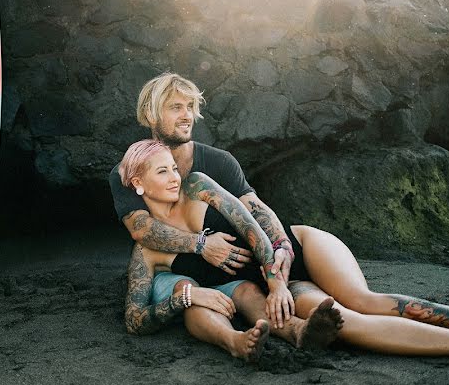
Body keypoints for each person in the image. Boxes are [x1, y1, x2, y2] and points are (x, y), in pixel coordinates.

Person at [109, 72, 449, 360]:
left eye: (192, 107)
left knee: (364, 298)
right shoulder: (129, 174)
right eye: (176, 107)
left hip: (292, 248)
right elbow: (143, 231)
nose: (188, 115)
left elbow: (263, 219)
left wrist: (277, 278)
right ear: (152, 112)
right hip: (249, 278)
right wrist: (201, 250)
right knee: (345, 321)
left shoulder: (217, 166)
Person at [120, 139, 343, 362]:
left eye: (174, 169)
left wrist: (275, 282)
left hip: (240, 278)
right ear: (138, 182)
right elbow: (134, 320)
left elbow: (249, 224)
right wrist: (182, 298)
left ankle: (299, 331)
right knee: (194, 294)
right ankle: (236, 342)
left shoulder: (196, 185)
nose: (174, 178)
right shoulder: (145, 249)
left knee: (247, 291)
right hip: (200, 287)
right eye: (162, 172)